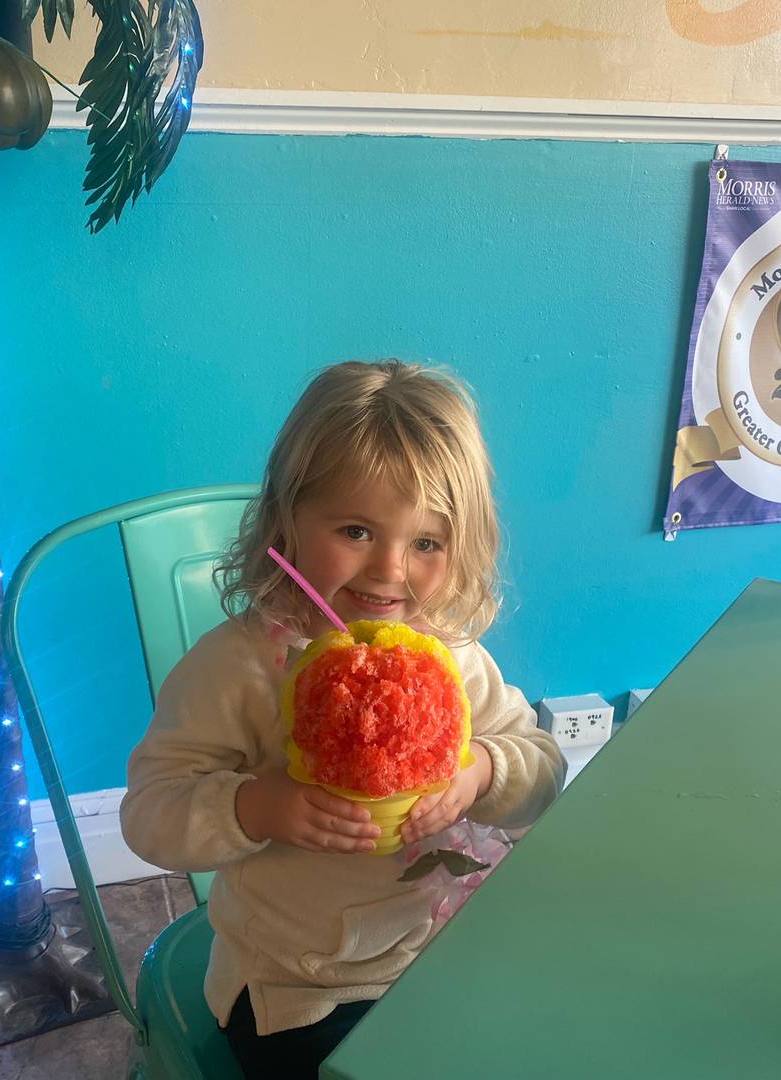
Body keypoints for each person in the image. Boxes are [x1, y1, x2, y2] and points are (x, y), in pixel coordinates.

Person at [120, 359, 565, 1077]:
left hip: (432, 956)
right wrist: (257, 805)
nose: (389, 569)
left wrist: (479, 772)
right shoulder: (240, 668)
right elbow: (149, 814)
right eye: (356, 530)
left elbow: (543, 767)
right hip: (292, 992)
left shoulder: (450, 659)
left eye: (426, 542)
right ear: (288, 518)